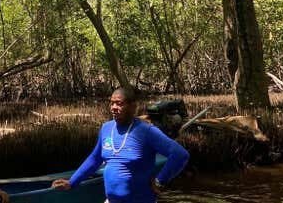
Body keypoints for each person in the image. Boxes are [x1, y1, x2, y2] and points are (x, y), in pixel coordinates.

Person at [51, 86, 189, 203]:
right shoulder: (106, 128)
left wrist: (160, 181)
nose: (114, 107)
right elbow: (95, 159)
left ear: (133, 106)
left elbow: (180, 154)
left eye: (119, 103)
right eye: (112, 103)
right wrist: (72, 182)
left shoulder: (146, 131)